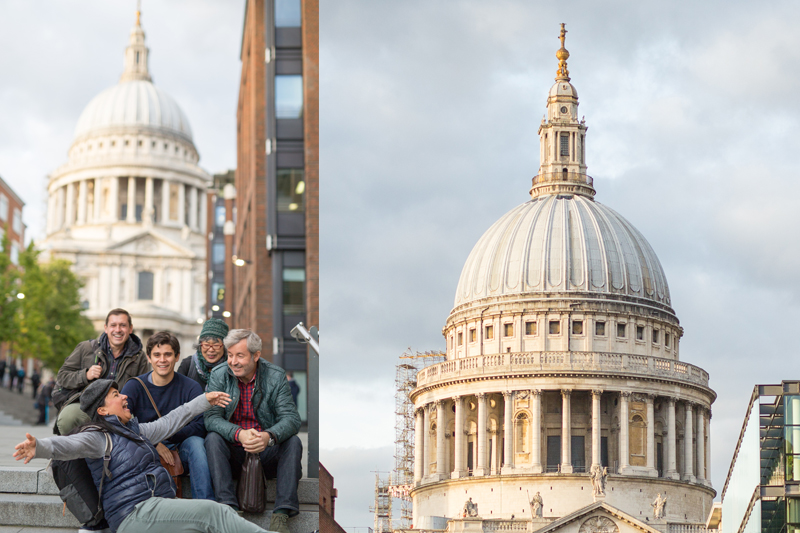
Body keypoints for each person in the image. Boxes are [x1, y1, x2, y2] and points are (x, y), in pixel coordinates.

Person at [13, 379, 271, 533]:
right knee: (214, 513)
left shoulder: (137, 431)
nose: (125, 396)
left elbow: (173, 419)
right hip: (133, 514)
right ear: (102, 409)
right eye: (116, 395)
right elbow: (70, 445)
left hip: (152, 507)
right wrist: (41, 447)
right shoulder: (98, 438)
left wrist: (204, 400)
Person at [204, 329, 302, 533]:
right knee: (212, 439)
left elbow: (291, 419)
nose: (233, 361)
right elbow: (211, 418)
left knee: (293, 442)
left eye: (240, 355)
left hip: (265, 452)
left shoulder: (275, 376)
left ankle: (281, 515)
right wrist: (238, 433)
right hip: (234, 453)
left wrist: (268, 437)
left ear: (256, 355)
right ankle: (228, 510)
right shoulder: (219, 374)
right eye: (230, 355)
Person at [121, 331, 215, 501]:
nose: (162, 360)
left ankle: (206, 505)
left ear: (177, 356)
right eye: (156, 355)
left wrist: (166, 437)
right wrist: (154, 442)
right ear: (149, 358)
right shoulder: (134, 386)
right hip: (144, 448)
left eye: (168, 354)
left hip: (181, 446)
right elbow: (121, 423)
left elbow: (200, 425)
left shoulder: (191, 387)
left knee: (197, 444)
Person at [53, 308, 150, 435]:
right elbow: (62, 376)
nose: (118, 330)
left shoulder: (139, 357)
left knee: (135, 429)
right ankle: (73, 453)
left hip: (118, 409)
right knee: (69, 417)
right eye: (113, 325)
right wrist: (85, 375)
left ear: (130, 329)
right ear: (106, 328)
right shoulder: (86, 348)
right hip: (86, 406)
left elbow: (141, 391)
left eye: (123, 325)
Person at [177, 318, 229, 389]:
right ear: (200, 345)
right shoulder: (188, 364)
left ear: (224, 347)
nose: (211, 350)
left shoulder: (231, 367)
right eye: (206, 345)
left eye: (216, 345)